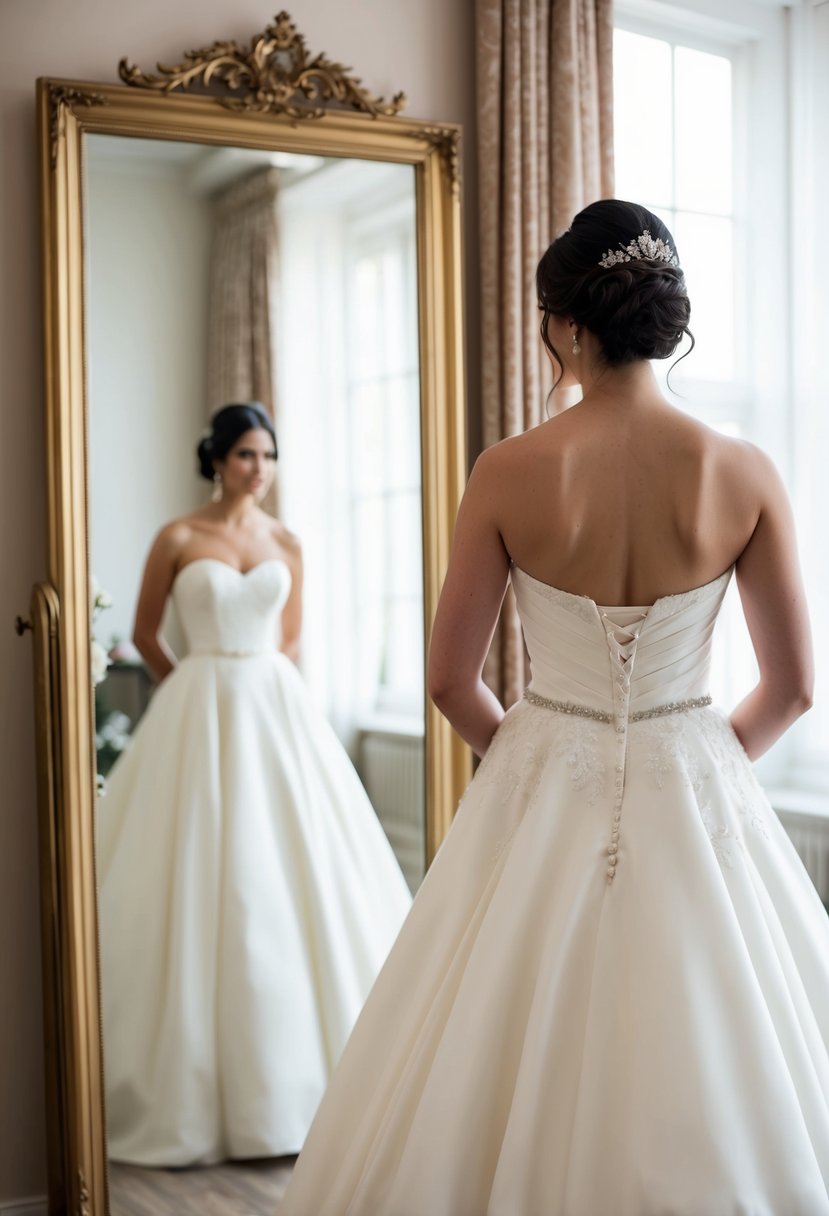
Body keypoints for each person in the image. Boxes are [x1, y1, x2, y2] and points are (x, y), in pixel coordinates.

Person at [280, 200, 829, 1215]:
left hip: (545, 781)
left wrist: (537, 756)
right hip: (693, 766)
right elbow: (794, 686)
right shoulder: (743, 471)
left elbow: (450, 679)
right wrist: (690, 763)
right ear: (665, 316)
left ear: (567, 323)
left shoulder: (509, 470)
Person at [96, 402, 412, 1167]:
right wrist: (188, 683)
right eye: (244, 455)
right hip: (198, 703)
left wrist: (261, 677)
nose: (258, 470)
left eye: (267, 456)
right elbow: (143, 632)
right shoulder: (176, 537)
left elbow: (292, 633)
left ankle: (319, 1093)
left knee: (290, 874)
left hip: (273, 706)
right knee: (191, 872)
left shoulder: (287, 542)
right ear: (215, 459)